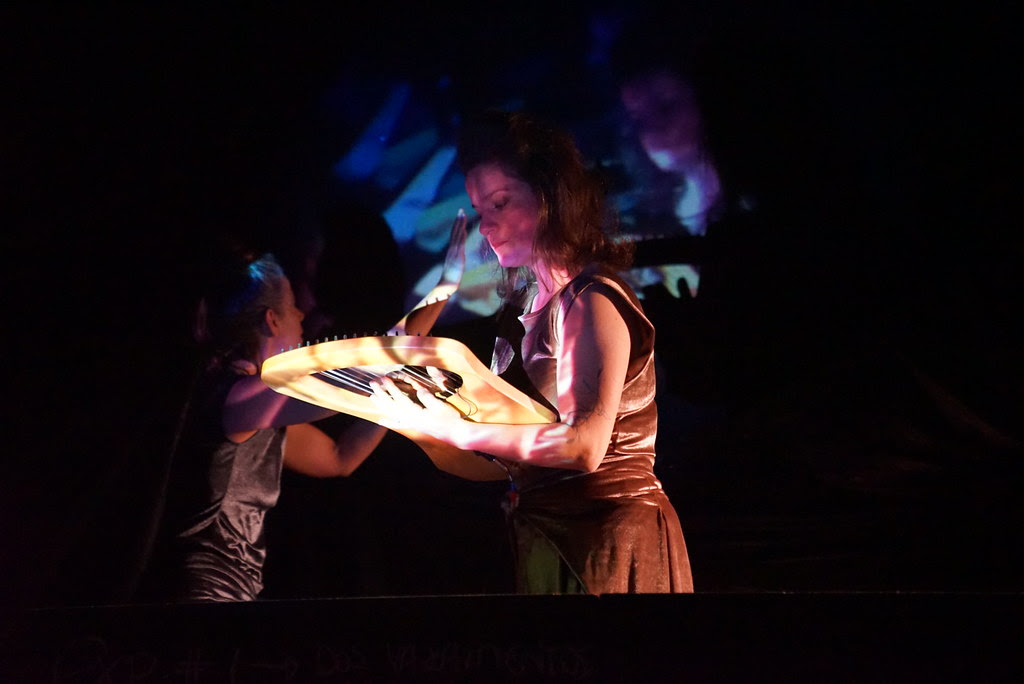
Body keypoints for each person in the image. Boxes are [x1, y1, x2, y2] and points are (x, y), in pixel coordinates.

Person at [370, 110, 693, 594]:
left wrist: (451, 427)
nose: (487, 225)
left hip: (609, 541)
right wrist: (414, 425)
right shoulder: (525, 310)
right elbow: (496, 465)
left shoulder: (591, 300)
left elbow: (583, 448)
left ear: (548, 196)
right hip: (549, 542)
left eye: (500, 202)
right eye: (480, 210)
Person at [155, 219, 466, 603]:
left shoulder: (260, 415)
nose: (303, 315)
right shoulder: (233, 397)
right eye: (292, 307)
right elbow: (338, 385)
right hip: (204, 599)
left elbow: (340, 458)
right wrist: (441, 294)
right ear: (271, 320)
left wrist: (394, 405)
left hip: (236, 596)